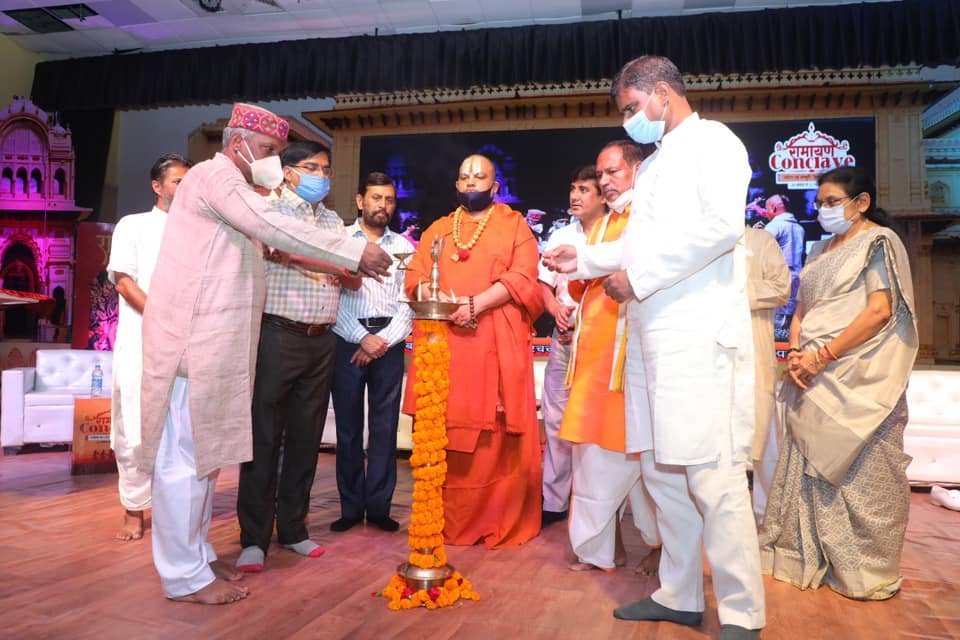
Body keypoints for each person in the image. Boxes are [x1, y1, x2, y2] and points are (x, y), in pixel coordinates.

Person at [543, 56, 764, 639]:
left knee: (712, 476)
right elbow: (639, 243)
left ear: (662, 92)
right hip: (648, 337)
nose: (628, 120)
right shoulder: (660, 162)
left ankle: (742, 612)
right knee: (662, 474)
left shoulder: (714, 144)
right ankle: (679, 594)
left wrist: (638, 279)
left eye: (631, 107)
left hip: (694, 335)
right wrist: (582, 260)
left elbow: (719, 228)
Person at [139, 103, 392, 605]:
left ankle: (196, 558)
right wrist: (352, 251)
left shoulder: (233, 183)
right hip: (193, 339)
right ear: (239, 145)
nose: (274, 161)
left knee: (205, 459)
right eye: (270, 150)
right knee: (184, 461)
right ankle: (183, 577)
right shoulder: (217, 177)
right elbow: (272, 225)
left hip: (214, 341)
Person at [760, 167, 918, 601]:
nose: (823, 210)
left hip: (858, 377)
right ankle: (803, 553)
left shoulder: (878, 242)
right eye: (819, 204)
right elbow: (802, 309)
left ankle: (864, 570)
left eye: (832, 202)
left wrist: (822, 357)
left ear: (861, 202)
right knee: (804, 463)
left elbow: (879, 312)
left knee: (865, 470)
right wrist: (797, 353)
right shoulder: (819, 250)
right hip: (808, 375)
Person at [402, 154, 544, 549]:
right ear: (456, 185)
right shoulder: (439, 229)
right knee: (445, 426)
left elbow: (523, 277)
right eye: (464, 176)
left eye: (480, 177)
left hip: (493, 342)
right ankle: (443, 519)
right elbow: (414, 278)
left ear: (495, 187)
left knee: (493, 436)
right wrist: (441, 301)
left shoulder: (514, 226)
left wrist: (474, 305)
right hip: (446, 346)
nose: (470, 182)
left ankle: (496, 516)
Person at [235, 140, 350, 572]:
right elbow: (280, 253)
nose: (322, 176)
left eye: (326, 169)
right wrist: (332, 263)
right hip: (278, 333)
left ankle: (294, 529)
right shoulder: (269, 209)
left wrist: (325, 263)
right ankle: (254, 538)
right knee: (264, 437)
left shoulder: (333, 219)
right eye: (313, 168)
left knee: (306, 438)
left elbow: (351, 272)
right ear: (289, 171)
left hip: (322, 338)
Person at [562, 142, 660, 575]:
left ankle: (661, 547)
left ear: (638, 169)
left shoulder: (650, 216)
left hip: (632, 366)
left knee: (648, 466)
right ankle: (598, 551)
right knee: (593, 462)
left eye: (612, 172)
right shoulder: (601, 225)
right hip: (593, 366)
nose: (604, 182)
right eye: (600, 175)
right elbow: (583, 286)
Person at [107, 153, 191, 542]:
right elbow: (124, 282)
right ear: (157, 186)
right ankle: (134, 510)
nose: (185, 188)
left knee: (182, 430)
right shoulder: (133, 225)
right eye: (178, 181)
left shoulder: (201, 230)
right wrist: (162, 318)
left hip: (189, 346)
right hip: (142, 340)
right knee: (135, 425)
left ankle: (177, 513)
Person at [330, 172, 414, 533]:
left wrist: (382, 342)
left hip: (389, 345)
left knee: (384, 428)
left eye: (389, 200)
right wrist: (361, 337)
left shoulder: (405, 246)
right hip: (347, 341)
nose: (383, 206)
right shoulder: (339, 241)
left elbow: (408, 302)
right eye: (376, 198)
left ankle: (379, 507)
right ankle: (350, 508)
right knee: (348, 429)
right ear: (360, 201)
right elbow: (331, 294)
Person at [537, 166, 597, 528]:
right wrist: (555, 310)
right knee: (556, 421)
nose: (575, 196)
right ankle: (554, 501)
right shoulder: (560, 234)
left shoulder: (614, 235)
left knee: (593, 425)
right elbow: (543, 286)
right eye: (573, 188)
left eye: (584, 189)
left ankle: (593, 505)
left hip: (599, 347)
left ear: (602, 197)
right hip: (562, 342)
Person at [742, 226, 791, 524]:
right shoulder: (699, 242)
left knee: (764, 440)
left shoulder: (760, 240)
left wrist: (731, 291)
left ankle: (769, 519)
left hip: (753, 358)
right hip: (707, 362)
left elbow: (781, 287)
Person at [763, 194, 805, 340]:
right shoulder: (799, 228)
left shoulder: (773, 226)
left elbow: (760, 253)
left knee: (774, 329)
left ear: (773, 208)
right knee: (790, 323)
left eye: (766, 208)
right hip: (796, 280)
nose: (765, 213)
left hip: (777, 281)